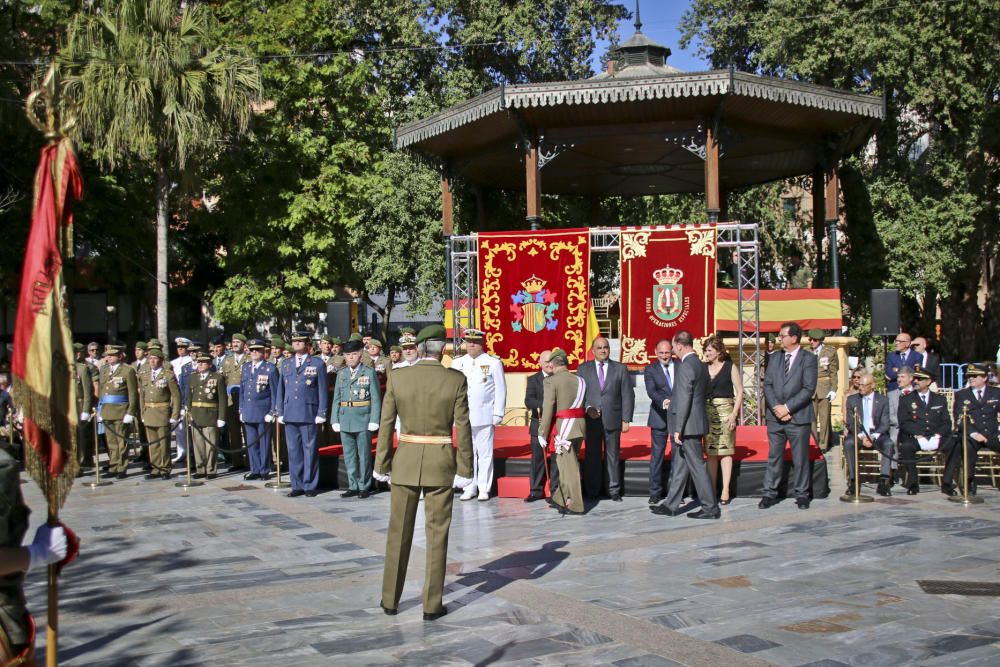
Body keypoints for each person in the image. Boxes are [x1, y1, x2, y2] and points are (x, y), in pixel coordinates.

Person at [373, 324, 473, 621]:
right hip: (440, 462)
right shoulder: (455, 379)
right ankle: (431, 604)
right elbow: (463, 427)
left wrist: (381, 464)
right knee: (436, 536)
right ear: (441, 349)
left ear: (419, 347)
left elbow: (387, 422)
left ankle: (390, 599)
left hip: (405, 460)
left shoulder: (398, 376)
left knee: (397, 534)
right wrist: (465, 467)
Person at [651, 330, 719, 519]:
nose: (673, 351)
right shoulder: (699, 364)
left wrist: (678, 428)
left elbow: (684, 399)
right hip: (694, 422)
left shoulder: (686, 366)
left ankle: (710, 508)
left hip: (687, 426)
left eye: (673, 348)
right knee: (681, 465)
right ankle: (671, 505)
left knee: (697, 466)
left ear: (680, 346)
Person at [760, 321, 818, 509]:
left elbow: (808, 388)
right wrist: (777, 407)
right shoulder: (775, 357)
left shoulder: (808, 359)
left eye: (783, 335)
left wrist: (787, 408)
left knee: (800, 458)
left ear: (794, 338)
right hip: (775, 417)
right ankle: (769, 493)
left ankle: (801, 494)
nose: (779, 339)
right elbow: (767, 384)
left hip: (798, 417)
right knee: (774, 456)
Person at [449, 328, 506, 501]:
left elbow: (501, 389)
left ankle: (483, 487)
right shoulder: (457, 363)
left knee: (485, 453)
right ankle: (469, 486)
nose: (472, 345)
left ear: (482, 343)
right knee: (467, 453)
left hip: (484, 414)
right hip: (462, 416)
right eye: (468, 341)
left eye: (475, 342)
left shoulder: (493, 362)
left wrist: (498, 412)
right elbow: (451, 391)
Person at [576, 337, 634, 501]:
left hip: (613, 419)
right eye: (599, 348)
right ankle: (592, 491)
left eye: (605, 347)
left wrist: (626, 418)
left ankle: (613, 490)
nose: (603, 350)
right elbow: (579, 395)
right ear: (593, 351)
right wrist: (587, 409)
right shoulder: (583, 369)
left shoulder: (620, 368)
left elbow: (628, 394)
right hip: (591, 420)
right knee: (592, 455)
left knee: (613, 455)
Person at [275, 332, 329, 497]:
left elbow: (322, 390)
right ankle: (296, 484)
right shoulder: (286, 363)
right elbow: (280, 390)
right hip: (290, 412)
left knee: (309, 450)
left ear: (307, 343)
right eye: (295, 341)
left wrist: (321, 412)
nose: (297, 343)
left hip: (308, 412)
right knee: (293, 451)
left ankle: (310, 485)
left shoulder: (317, 363)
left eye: (300, 341)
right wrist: (280, 411)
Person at [537, 347, 586, 514]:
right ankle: (560, 498)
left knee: (569, 468)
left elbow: (548, 408)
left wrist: (542, 432)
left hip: (565, 427)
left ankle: (577, 505)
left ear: (552, 364)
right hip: (579, 426)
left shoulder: (551, 381)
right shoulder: (580, 380)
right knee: (566, 464)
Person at [331, 339, 381, 498]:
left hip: (363, 417)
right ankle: (352, 484)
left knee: (364, 455)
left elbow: (375, 397)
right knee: (349, 455)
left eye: (354, 354)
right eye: (348, 355)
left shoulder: (368, 372)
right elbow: (336, 398)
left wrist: (374, 419)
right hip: (345, 417)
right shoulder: (341, 373)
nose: (351, 358)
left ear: (360, 355)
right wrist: (334, 419)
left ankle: (364, 485)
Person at [896, 367, 955, 495]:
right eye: (915, 378)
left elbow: (946, 422)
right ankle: (913, 483)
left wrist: (938, 434)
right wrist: (918, 434)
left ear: (928, 381)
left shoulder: (940, 399)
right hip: (917, 437)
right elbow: (904, 422)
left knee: (954, 445)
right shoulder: (906, 399)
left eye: (920, 379)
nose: (916, 381)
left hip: (936, 436)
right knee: (906, 447)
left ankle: (947, 483)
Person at [702, 335, 743, 505]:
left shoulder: (730, 367)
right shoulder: (703, 368)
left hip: (726, 412)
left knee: (725, 452)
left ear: (718, 352)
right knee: (711, 453)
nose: (706, 353)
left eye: (709, 350)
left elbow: (740, 391)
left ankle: (725, 489)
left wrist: (734, 414)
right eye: (705, 350)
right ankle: (711, 489)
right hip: (707, 413)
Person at [950, 363, 999, 496]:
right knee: (968, 447)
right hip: (973, 434)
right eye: (969, 376)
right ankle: (969, 482)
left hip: (993, 433)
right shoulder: (962, 395)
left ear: (984, 378)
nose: (971, 379)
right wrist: (974, 433)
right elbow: (960, 418)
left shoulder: (996, 393)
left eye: (974, 376)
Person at [842, 372, 893, 496]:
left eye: (864, 385)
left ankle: (884, 481)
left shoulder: (882, 400)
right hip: (859, 433)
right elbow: (850, 422)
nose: (861, 388)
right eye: (859, 385)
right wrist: (861, 435)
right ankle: (853, 481)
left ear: (873, 385)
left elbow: (885, 423)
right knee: (848, 443)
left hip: (876, 434)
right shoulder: (852, 400)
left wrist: (873, 436)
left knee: (889, 444)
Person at [97, 344, 139, 479]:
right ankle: (113, 465)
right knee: (111, 442)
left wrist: (131, 412)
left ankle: (122, 467)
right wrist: (99, 409)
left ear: (120, 356)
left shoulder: (127, 370)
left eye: (112, 355)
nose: (108, 357)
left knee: (121, 441)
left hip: (121, 410)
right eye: (107, 355)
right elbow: (103, 391)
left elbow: (133, 393)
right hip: (107, 410)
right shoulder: (104, 370)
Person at [138, 348, 180, 480]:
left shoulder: (168, 375)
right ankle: (155, 467)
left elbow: (176, 396)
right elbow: (142, 396)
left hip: (162, 411)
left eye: (155, 359)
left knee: (163, 443)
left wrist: (174, 415)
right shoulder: (144, 374)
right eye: (150, 359)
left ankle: (165, 468)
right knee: (152, 443)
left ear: (161, 361)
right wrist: (142, 413)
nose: (152, 361)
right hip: (149, 411)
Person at [239, 339, 278, 481]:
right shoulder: (246, 367)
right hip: (249, 410)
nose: (254, 352)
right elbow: (243, 390)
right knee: (251, 443)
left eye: (257, 350)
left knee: (264, 442)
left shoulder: (270, 369)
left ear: (263, 352)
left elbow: (275, 392)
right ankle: (254, 469)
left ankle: (264, 469)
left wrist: (272, 411)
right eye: (252, 350)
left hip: (263, 411)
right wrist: (241, 409)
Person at [524, 350, 558, 502]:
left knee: (557, 459)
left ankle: (555, 491)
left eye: (552, 361)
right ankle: (536, 491)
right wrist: (545, 405)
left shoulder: (559, 378)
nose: (550, 365)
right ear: (540, 363)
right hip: (539, 424)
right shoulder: (533, 380)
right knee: (538, 459)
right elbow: (529, 401)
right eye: (546, 362)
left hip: (556, 426)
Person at [643, 339, 674, 505]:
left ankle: (676, 492)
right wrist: (664, 402)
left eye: (667, 352)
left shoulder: (681, 366)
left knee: (678, 455)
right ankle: (655, 492)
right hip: (659, 416)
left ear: (672, 352)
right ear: (656, 352)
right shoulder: (650, 369)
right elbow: (651, 390)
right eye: (661, 353)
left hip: (678, 417)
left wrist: (675, 402)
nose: (664, 356)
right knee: (657, 455)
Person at [186, 352, 226, 479]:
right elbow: (189, 396)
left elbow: (222, 399)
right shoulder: (193, 377)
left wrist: (221, 417)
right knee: (198, 444)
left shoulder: (217, 378)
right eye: (199, 362)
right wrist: (188, 411)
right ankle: (200, 468)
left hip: (210, 415)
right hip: (196, 414)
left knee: (211, 444)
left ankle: (211, 469)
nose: (200, 365)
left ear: (209, 364)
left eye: (203, 363)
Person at [220, 333, 250, 471]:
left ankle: (251, 462)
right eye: (233, 342)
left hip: (246, 402)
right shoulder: (227, 360)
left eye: (238, 342)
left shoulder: (249, 359)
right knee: (234, 433)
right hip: (231, 402)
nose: (235, 344)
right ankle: (237, 462)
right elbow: (223, 381)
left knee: (248, 433)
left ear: (244, 344)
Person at [808, 329, 839, 452]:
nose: (811, 342)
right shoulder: (806, 351)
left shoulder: (830, 351)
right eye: (810, 339)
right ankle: (813, 442)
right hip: (810, 388)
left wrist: (833, 389)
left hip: (824, 386)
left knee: (824, 417)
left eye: (814, 340)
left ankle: (823, 444)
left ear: (820, 340)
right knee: (811, 418)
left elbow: (834, 372)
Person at [886, 366, 914, 486]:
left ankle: (911, 473)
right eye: (898, 377)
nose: (899, 380)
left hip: (915, 428)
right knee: (892, 440)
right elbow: (890, 415)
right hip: (897, 427)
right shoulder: (892, 395)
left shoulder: (917, 393)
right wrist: (902, 424)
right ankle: (893, 471)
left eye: (902, 377)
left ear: (911, 378)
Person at [73, 352, 94, 474]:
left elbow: (87, 392)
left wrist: (86, 410)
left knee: (78, 438)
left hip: (79, 406)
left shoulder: (81, 369)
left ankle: (78, 465)